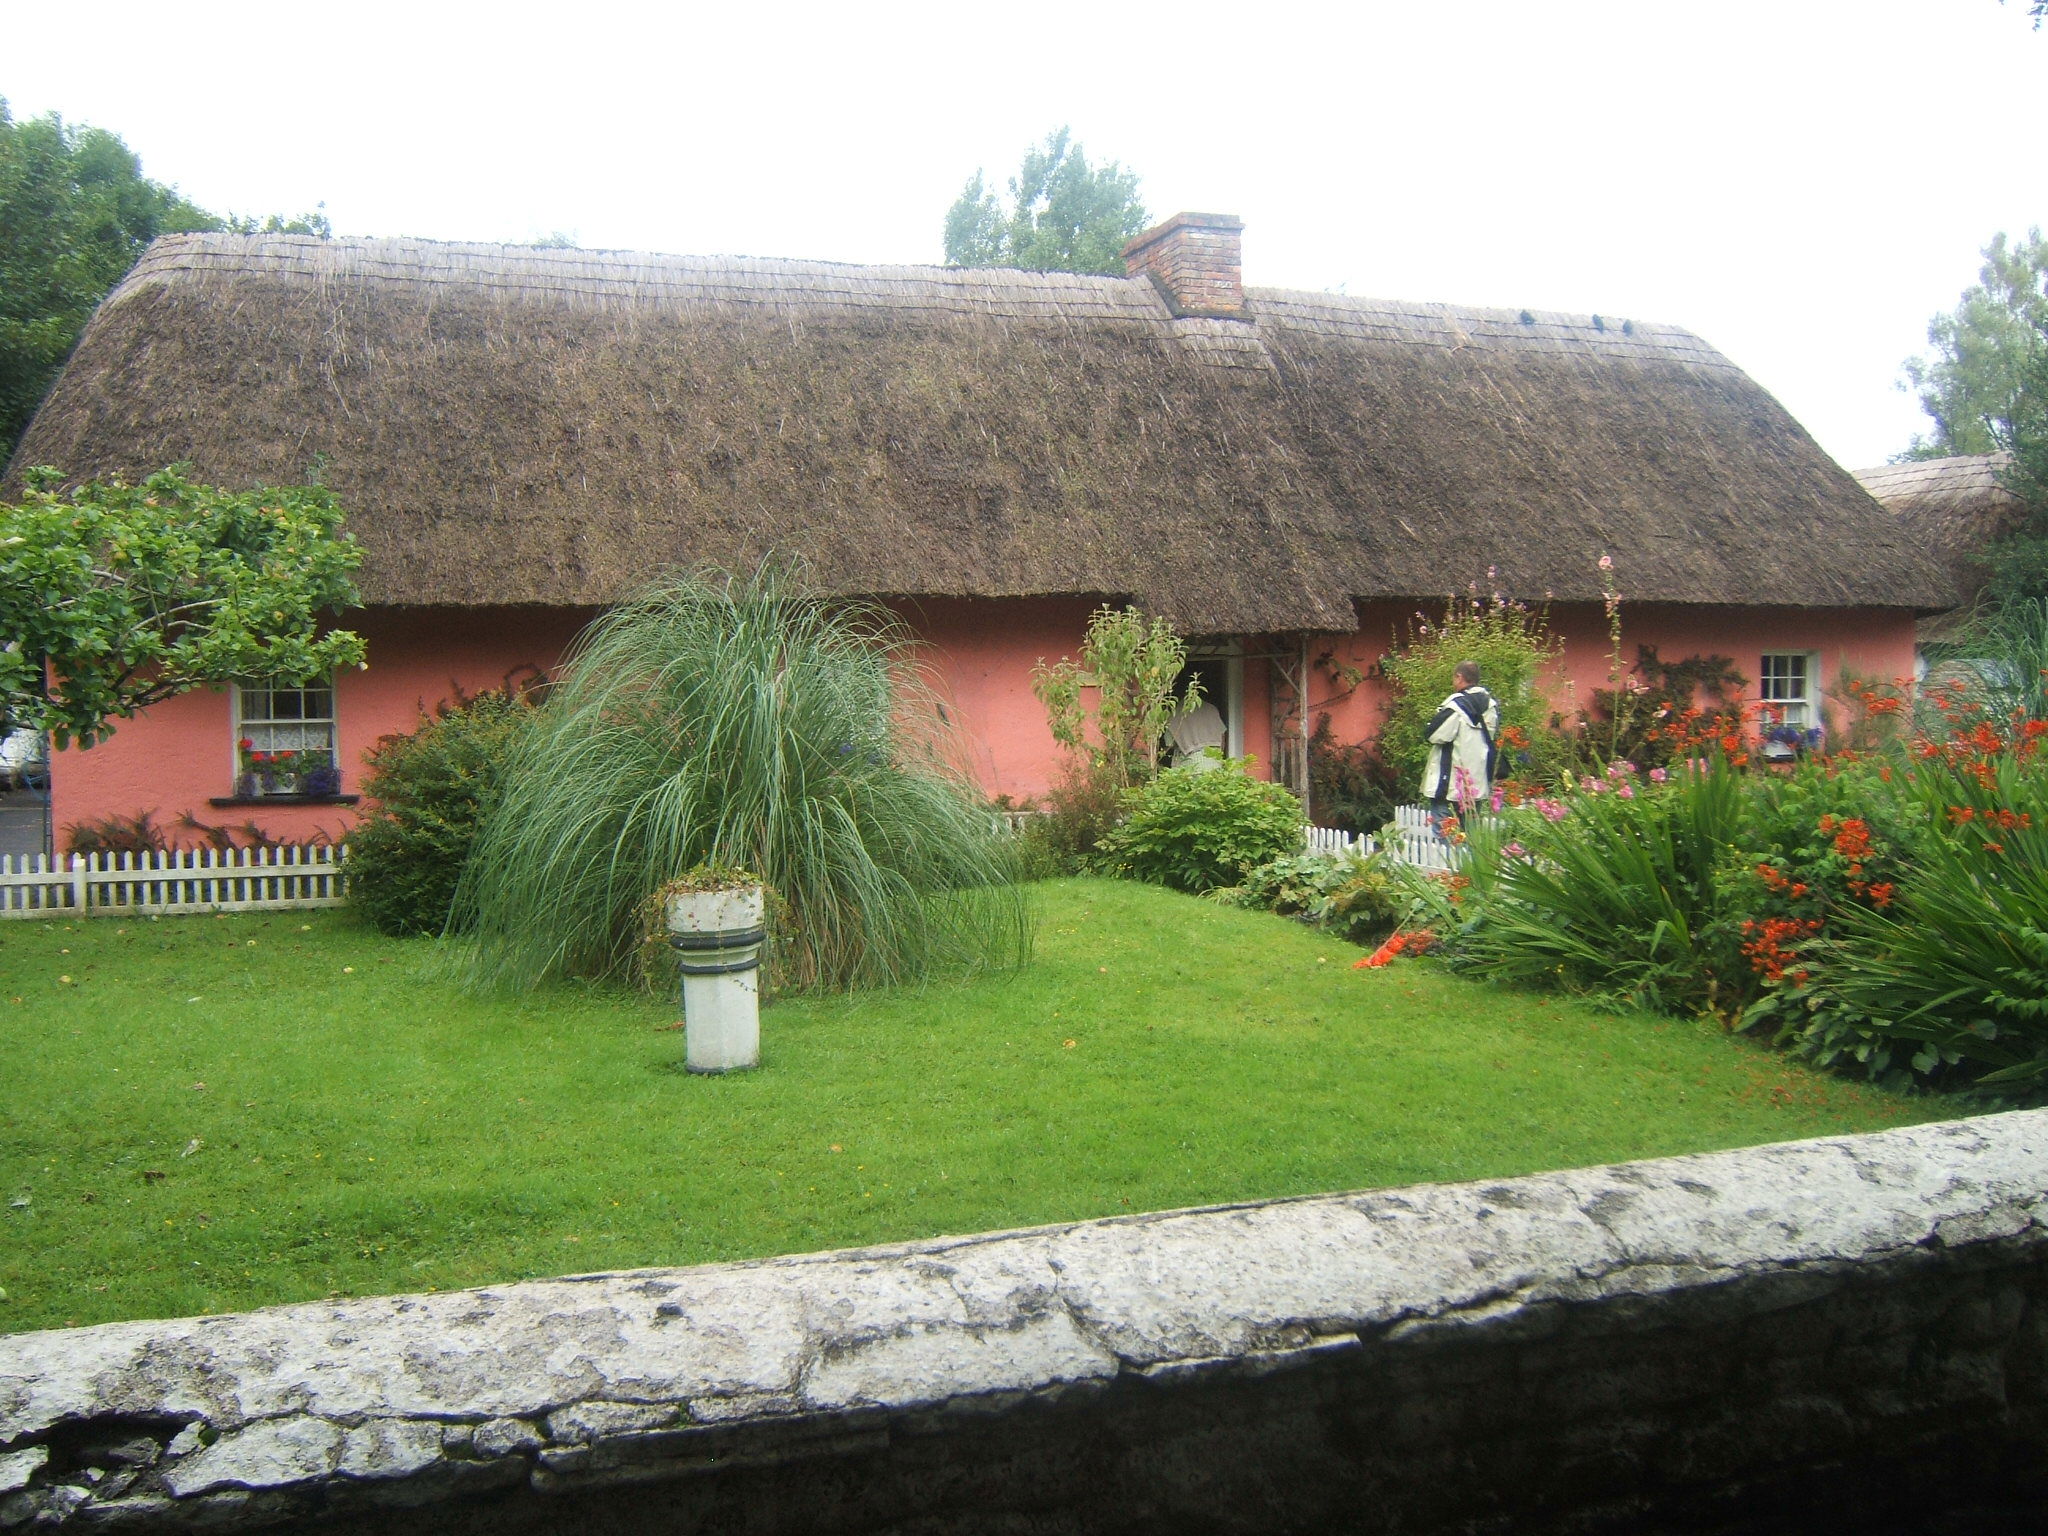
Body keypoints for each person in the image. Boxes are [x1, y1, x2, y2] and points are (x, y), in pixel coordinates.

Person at [1421, 661, 1499, 834]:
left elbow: (1436, 734)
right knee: (1471, 830)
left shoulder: (1456, 705)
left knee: (1442, 824)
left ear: (1459, 677)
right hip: (1476, 777)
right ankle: (1470, 860)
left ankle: (1448, 860)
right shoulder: (1491, 706)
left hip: (1450, 775)